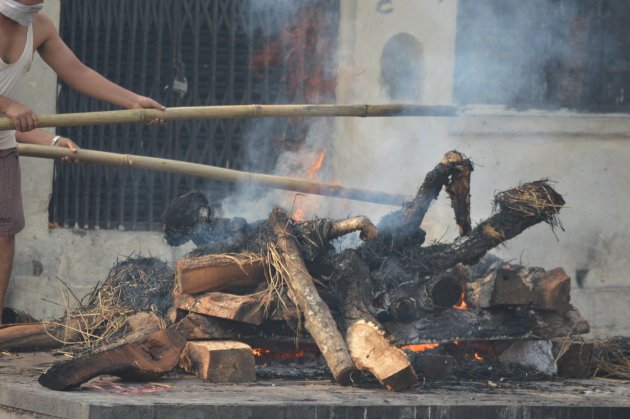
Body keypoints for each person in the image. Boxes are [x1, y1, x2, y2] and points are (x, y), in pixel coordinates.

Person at [0, 0, 165, 322]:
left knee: (4, 233)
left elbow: (77, 72)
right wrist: (7, 105)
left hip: (2, 147)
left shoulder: (41, 27)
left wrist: (134, 102)